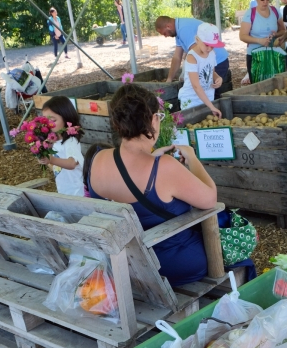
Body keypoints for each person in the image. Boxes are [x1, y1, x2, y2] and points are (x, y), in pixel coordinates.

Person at [88, 83, 216, 286]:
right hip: (171, 265)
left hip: (124, 267)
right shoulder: (164, 167)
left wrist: (153, 159)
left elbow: (129, 175)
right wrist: (192, 158)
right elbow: (210, 199)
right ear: (153, 119)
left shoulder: (98, 159)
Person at [155, 16, 229, 98]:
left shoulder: (183, 29)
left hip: (217, 61)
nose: (165, 36)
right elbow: (177, 57)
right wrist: (169, 79)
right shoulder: (179, 30)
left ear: (168, 26)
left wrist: (187, 73)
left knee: (212, 93)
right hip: (211, 62)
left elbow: (196, 55)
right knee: (207, 93)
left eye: (164, 33)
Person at [239, 0, 286, 83]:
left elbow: (283, 30)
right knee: (257, 85)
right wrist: (259, 40)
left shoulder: (275, 11)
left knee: (273, 84)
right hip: (255, 55)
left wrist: (276, 34)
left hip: (273, 55)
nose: (265, 2)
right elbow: (242, 36)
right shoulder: (250, 13)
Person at [40, 96, 84, 196]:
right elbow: (55, 165)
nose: (49, 125)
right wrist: (43, 156)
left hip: (77, 192)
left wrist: (50, 159)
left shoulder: (70, 141)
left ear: (66, 118)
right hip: (64, 190)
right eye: (46, 122)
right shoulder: (54, 141)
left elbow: (72, 163)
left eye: (53, 121)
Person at [178, 22, 224, 115]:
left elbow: (211, 71)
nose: (209, 48)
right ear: (197, 39)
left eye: (212, 46)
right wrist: (211, 107)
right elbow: (196, 86)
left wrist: (218, 78)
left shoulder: (212, 53)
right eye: (206, 45)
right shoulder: (192, 57)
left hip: (208, 97)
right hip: (191, 101)